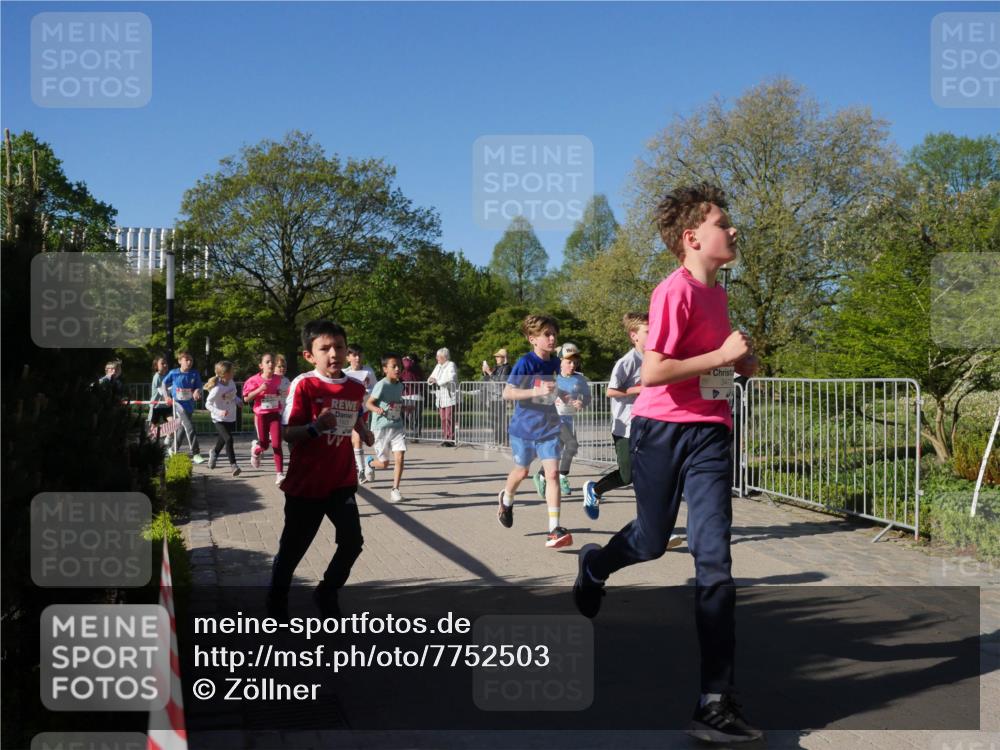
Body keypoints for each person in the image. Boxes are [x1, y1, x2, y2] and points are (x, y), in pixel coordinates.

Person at [572, 184, 761, 744]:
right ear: (692, 237)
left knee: (714, 557)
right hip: (660, 430)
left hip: (711, 433)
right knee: (652, 541)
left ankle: (714, 700)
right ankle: (595, 566)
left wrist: (742, 362)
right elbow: (653, 371)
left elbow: (720, 365)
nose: (733, 230)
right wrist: (721, 355)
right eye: (723, 223)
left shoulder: (719, 294)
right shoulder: (672, 291)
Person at [267, 320, 374, 621]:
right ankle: (276, 604)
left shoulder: (355, 387)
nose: (333, 353)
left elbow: (354, 414)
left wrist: (363, 430)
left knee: (352, 543)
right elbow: (288, 433)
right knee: (293, 550)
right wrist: (315, 427)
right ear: (309, 355)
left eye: (339, 347)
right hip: (307, 483)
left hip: (341, 480)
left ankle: (326, 592)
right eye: (324, 348)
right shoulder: (305, 384)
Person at [496, 315, 572, 549]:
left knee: (552, 474)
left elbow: (553, 389)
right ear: (532, 339)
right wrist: (535, 392)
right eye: (547, 334)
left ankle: (554, 529)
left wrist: (564, 396)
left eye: (554, 334)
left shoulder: (554, 363)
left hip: (549, 428)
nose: (552, 338)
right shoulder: (525, 363)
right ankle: (506, 499)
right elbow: (508, 393)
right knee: (522, 471)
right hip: (524, 429)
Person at [365, 352, 407, 503]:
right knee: (384, 464)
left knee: (400, 457)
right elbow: (368, 403)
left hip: (397, 426)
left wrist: (405, 408)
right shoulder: (381, 385)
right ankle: (370, 463)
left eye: (399, 366)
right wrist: (377, 409)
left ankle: (395, 490)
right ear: (384, 369)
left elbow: (396, 404)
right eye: (393, 366)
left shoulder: (400, 385)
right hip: (381, 428)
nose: (397, 369)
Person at [552, 344, 591, 497]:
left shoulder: (579, 379)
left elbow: (587, 397)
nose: (573, 365)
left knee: (561, 449)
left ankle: (541, 476)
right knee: (572, 444)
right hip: (553, 419)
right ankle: (562, 477)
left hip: (568, 419)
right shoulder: (553, 377)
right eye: (569, 362)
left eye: (575, 362)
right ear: (561, 362)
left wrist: (582, 403)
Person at [242, 353, 285, 486]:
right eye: (267, 362)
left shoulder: (278, 379)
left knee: (277, 444)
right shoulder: (254, 380)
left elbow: (279, 392)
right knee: (265, 445)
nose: (271, 364)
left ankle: (280, 474)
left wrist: (279, 393)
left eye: (272, 362)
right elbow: (246, 398)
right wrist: (259, 389)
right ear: (261, 366)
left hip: (274, 414)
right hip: (261, 415)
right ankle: (256, 450)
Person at [162, 351, 205, 463]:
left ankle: (172, 449)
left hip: (189, 405)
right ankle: (196, 453)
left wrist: (197, 391)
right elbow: (163, 384)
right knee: (190, 427)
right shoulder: (174, 373)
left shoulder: (194, 373)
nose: (189, 362)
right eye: (187, 360)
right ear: (180, 361)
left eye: (191, 360)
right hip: (178, 405)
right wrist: (166, 396)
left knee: (181, 429)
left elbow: (199, 386)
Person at [346, 344, 378, 482]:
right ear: (348, 358)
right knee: (351, 441)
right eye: (354, 355)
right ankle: (363, 465)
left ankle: (362, 471)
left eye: (359, 355)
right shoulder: (344, 373)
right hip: (347, 410)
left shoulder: (368, 372)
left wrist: (366, 392)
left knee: (358, 438)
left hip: (362, 410)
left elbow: (376, 389)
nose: (357, 358)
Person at [204, 361, 242, 477]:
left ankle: (214, 453)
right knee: (229, 439)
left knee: (223, 439)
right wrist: (219, 412)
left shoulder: (231, 382)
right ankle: (234, 465)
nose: (234, 372)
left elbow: (233, 395)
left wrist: (238, 401)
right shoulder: (217, 388)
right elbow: (207, 404)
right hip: (218, 419)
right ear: (225, 374)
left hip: (230, 417)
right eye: (232, 371)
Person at [481, 348, 512, 447]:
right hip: (492, 396)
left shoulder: (507, 368)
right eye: (496, 356)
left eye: (498, 356)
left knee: (501, 420)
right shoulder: (496, 367)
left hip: (500, 396)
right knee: (493, 419)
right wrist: (485, 372)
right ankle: (497, 440)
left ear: (504, 358)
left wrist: (489, 373)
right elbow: (487, 380)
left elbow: (501, 381)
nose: (496, 358)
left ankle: (505, 440)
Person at [428, 348, 457, 447]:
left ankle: (451, 439)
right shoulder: (438, 366)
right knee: (443, 418)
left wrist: (438, 381)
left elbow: (451, 377)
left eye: (438, 356)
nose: (437, 358)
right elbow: (431, 377)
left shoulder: (451, 365)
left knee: (449, 417)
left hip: (449, 396)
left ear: (444, 357)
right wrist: (431, 380)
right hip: (440, 396)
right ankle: (445, 438)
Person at [400, 355, 425, 441]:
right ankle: (404, 434)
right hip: (405, 395)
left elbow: (407, 365)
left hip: (415, 396)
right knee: (405, 417)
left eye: (407, 359)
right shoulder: (406, 370)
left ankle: (416, 436)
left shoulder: (414, 367)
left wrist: (405, 359)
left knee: (414, 417)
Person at [148, 356, 172, 426]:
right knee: (153, 425)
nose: (165, 365)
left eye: (166, 363)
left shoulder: (168, 376)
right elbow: (161, 391)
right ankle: (151, 432)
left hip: (166, 405)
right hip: (156, 405)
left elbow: (169, 388)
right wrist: (168, 395)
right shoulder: (157, 377)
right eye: (162, 363)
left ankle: (171, 433)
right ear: (156, 366)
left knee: (172, 422)